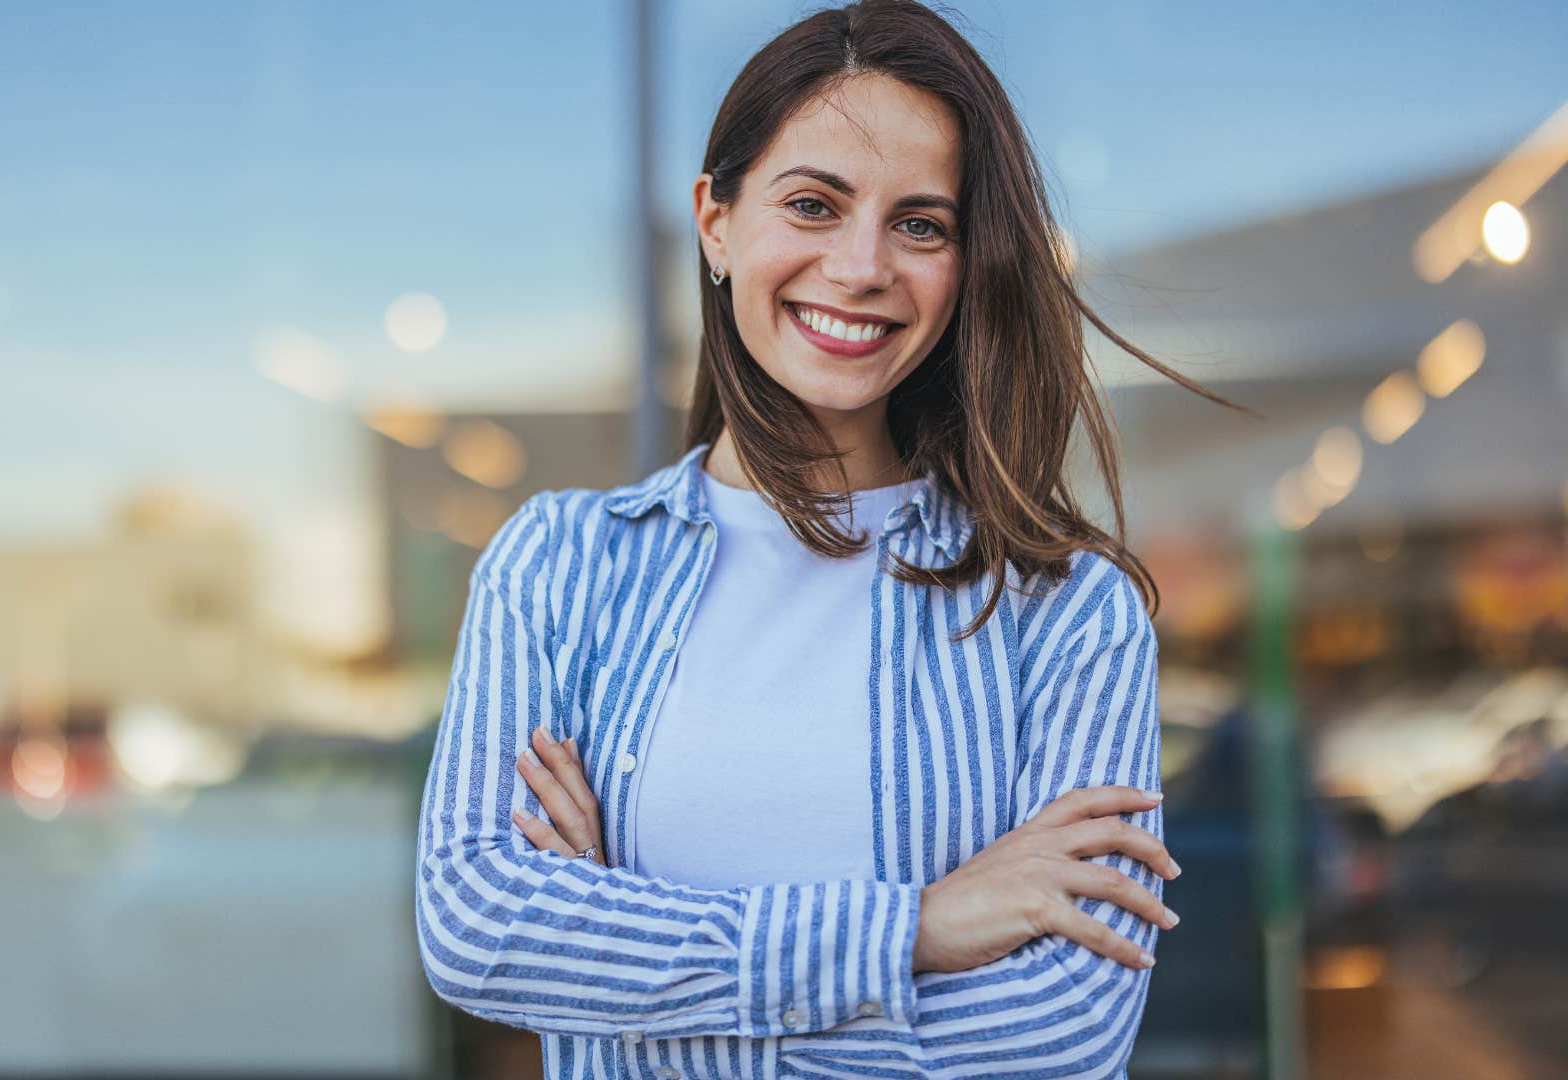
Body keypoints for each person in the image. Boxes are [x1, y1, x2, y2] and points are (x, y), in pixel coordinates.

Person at [416, 2, 1237, 1076]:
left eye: (921, 224)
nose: (861, 267)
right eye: (813, 204)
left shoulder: (1068, 610)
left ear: (964, 263)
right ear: (716, 220)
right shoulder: (560, 566)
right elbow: (479, 929)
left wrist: (622, 958)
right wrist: (919, 931)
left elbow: (1059, 1038)